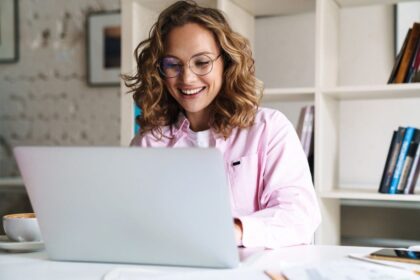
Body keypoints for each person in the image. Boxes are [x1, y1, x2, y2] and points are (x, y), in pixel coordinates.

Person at [124, 0, 321, 249]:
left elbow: (301, 217)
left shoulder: (269, 128)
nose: (187, 78)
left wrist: (235, 230)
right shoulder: (149, 143)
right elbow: (132, 220)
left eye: (202, 62)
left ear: (226, 63)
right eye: (173, 65)